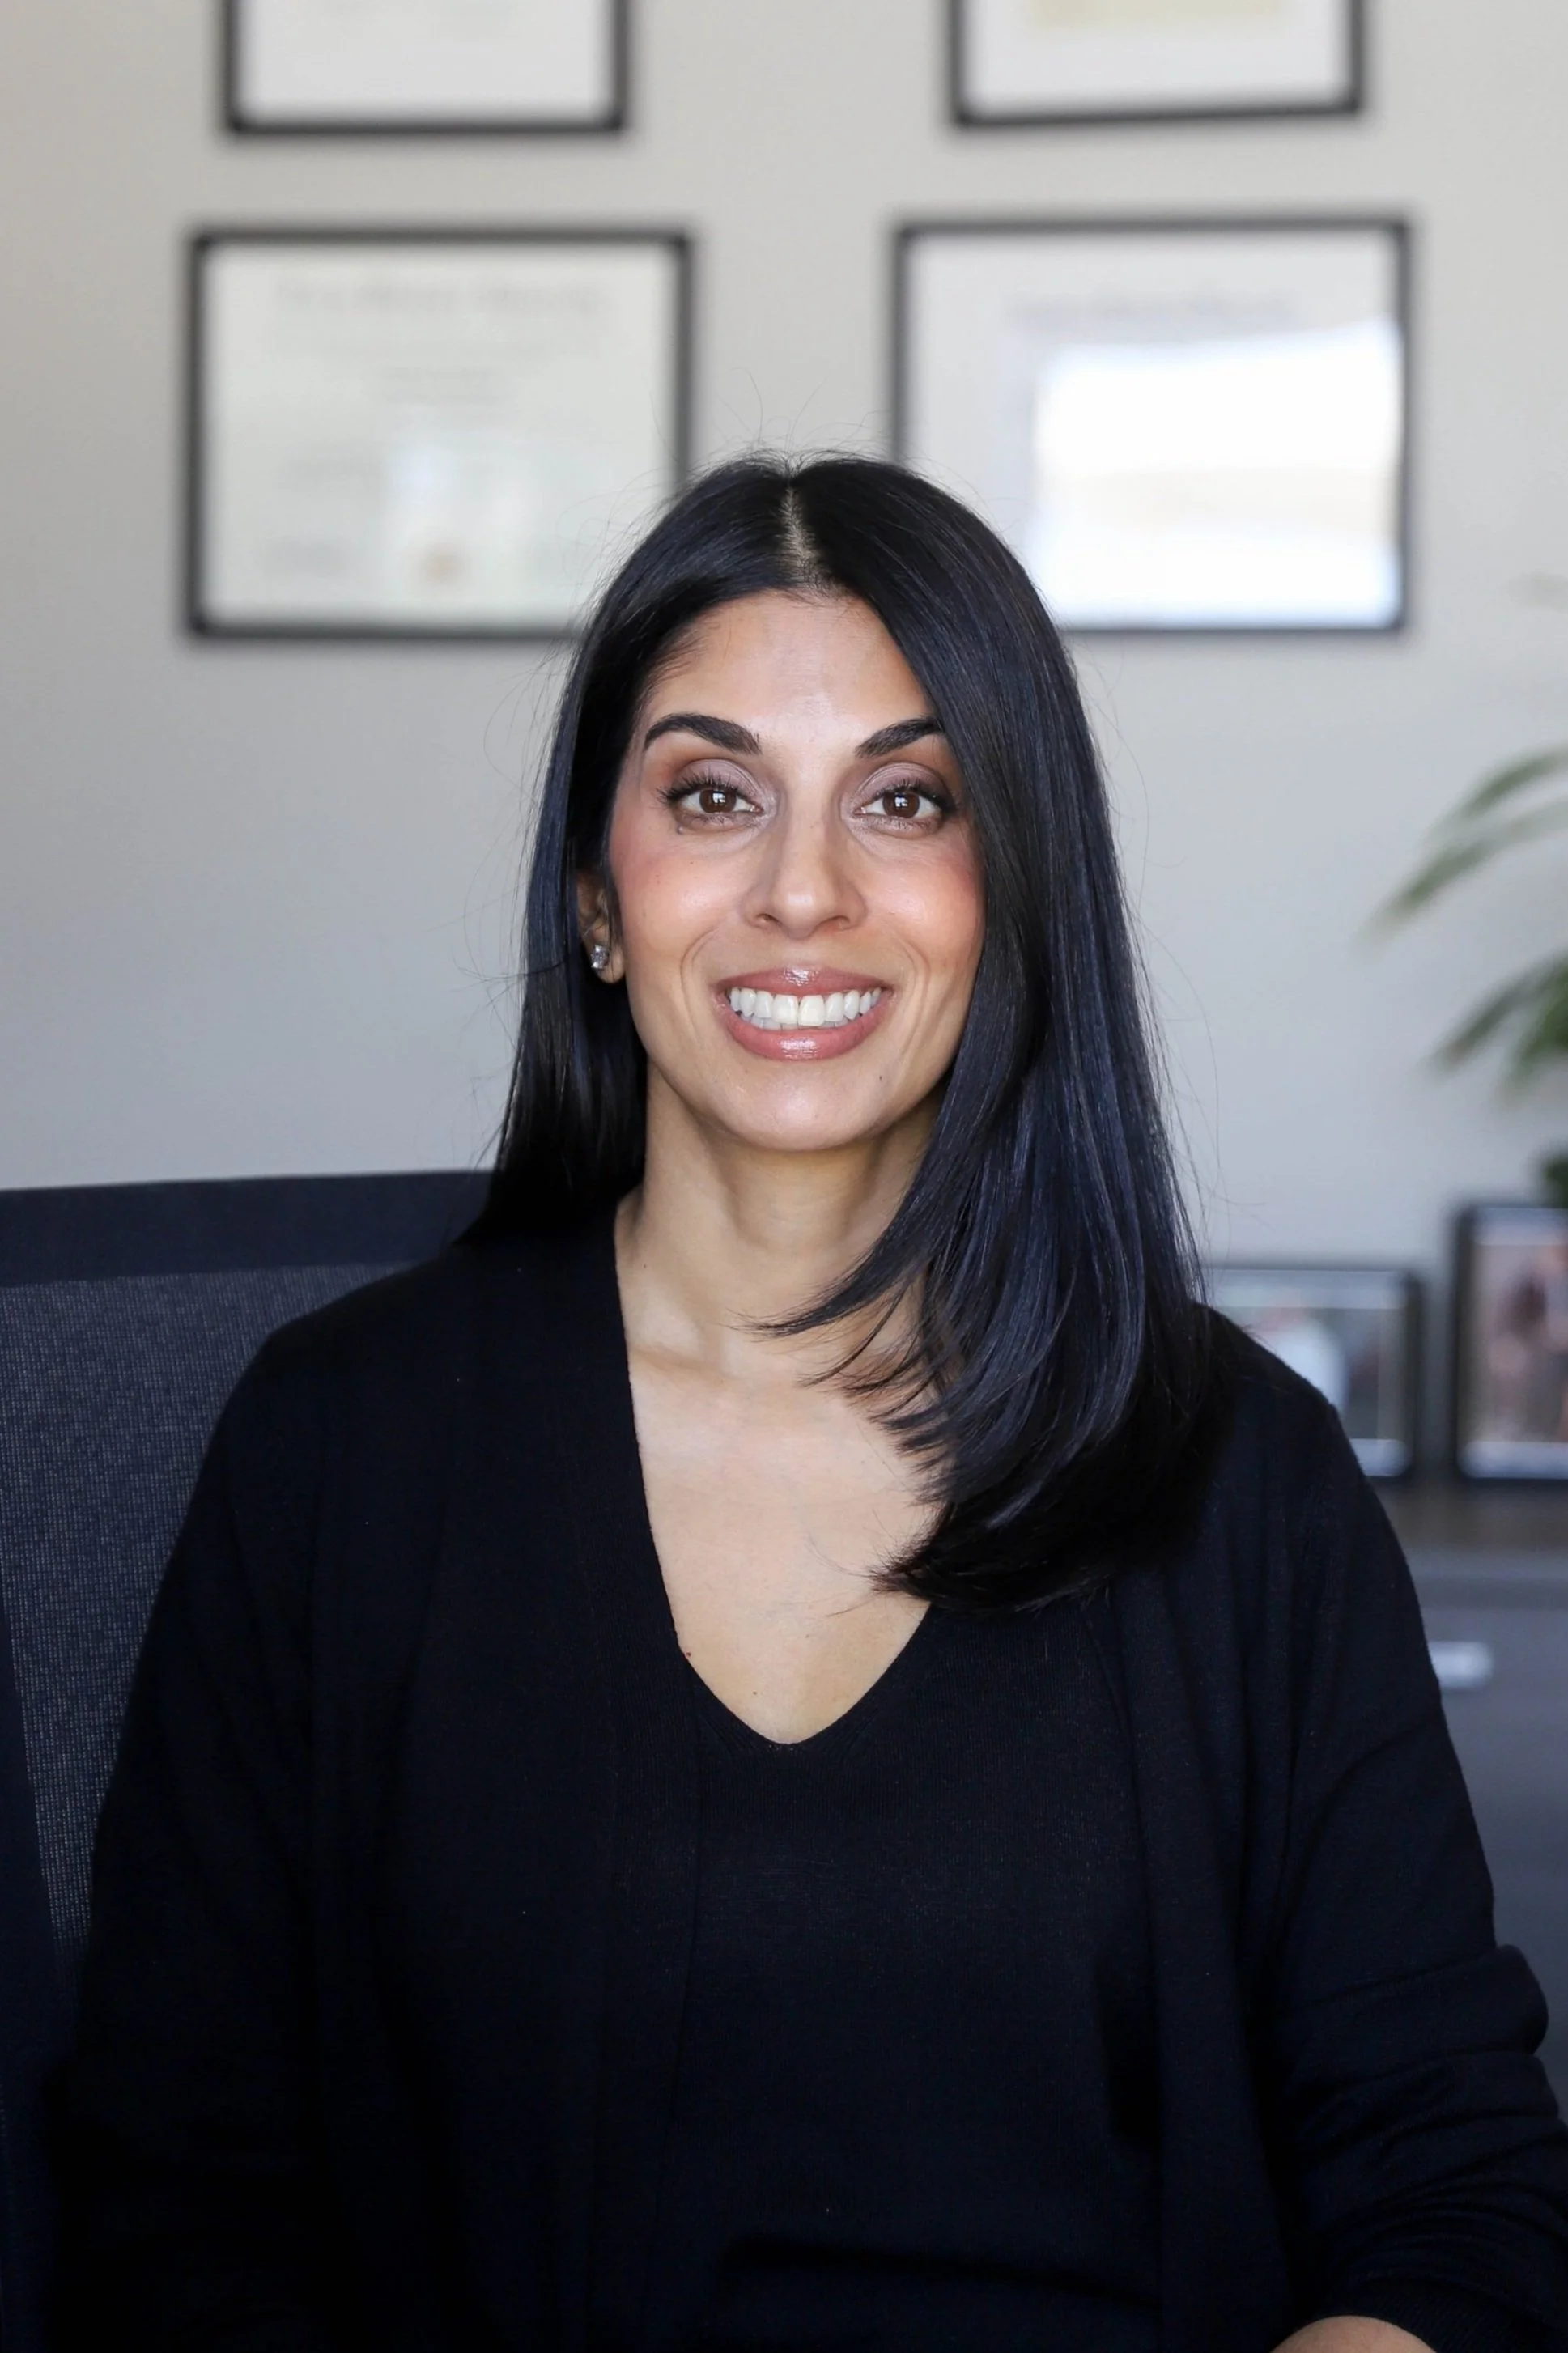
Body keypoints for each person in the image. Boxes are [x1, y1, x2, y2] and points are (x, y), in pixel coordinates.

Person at [64, 457, 1568, 2352]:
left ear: (1007, 888)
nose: (801, 890)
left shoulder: (1235, 1475)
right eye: (712, 795)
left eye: (903, 799)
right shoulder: (341, 1441)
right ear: (600, 896)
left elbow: (1451, 2191)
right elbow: (176, 2188)